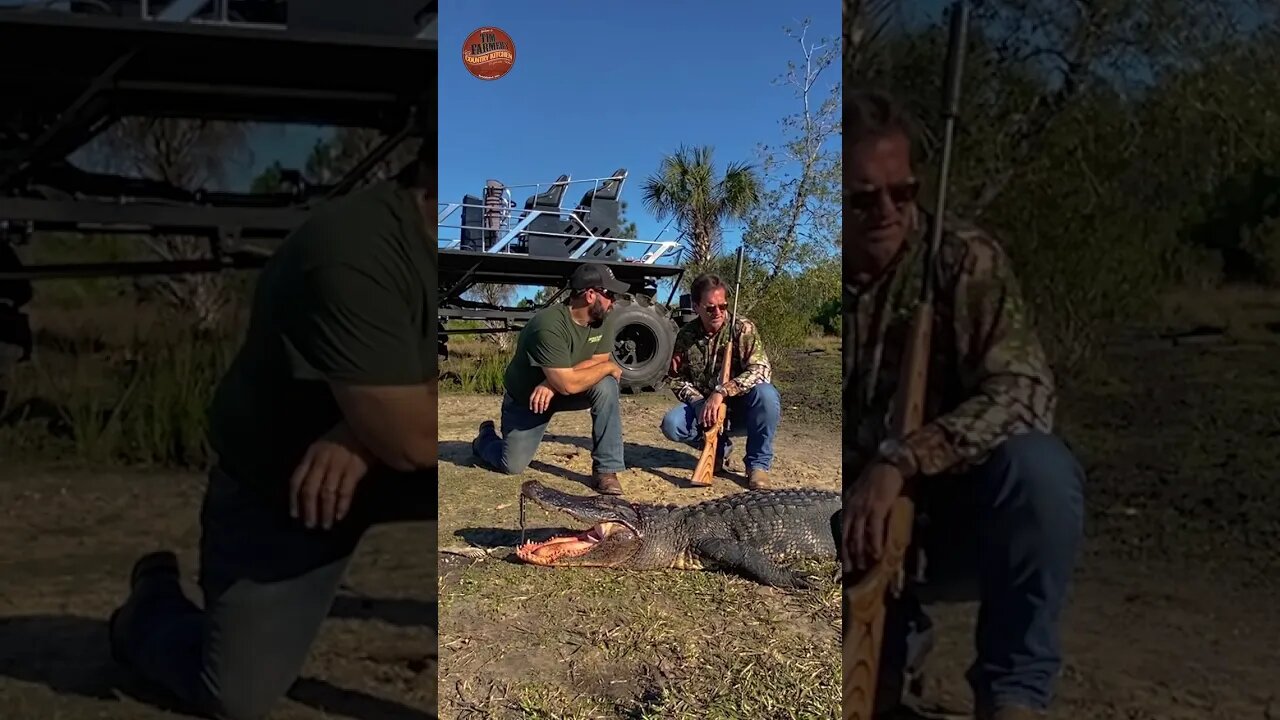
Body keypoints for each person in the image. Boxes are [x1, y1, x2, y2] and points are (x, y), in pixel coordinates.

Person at [108, 143, 438, 720]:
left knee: (512, 457)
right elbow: (410, 439)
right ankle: (150, 604)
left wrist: (360, 431)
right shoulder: (355, 247)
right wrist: (381, 426)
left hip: (374, 449)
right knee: (233, 694)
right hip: (292, 478)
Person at [841, 89, 1085, 720]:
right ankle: (897, 653)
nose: (888, 212)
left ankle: (1014, 694)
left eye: (905, 191)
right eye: (863, 199)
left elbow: (1026, 392)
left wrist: (903, 460)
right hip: (848, 528)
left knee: (1041, 472)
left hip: (952, 517)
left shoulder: (961, 260)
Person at [471, 263, 630, 494]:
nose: (613, 302)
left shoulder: (602, 320)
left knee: (605, 385)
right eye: (610, 295)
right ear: (590, 295)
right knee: (511, 465)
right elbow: (572, 381)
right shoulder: (548, 325)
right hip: (529, 400)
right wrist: (567, 380)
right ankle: (484, 439)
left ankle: (606, 470)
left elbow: (599, 360)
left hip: (555, 389)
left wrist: (551, 383)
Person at [659, 272, 779, 489]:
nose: (718, 312)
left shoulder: (742, 328)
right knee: (672, 424)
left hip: (742, 408)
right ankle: (717, 449)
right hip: (705, 410)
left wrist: (723, 391)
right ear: (695, 307)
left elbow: (761, 369)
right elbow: (676, 379)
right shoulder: (686, 335)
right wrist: (698, 403)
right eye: (710, 307)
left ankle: (757, 465)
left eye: (723, 306)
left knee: (767, 394)